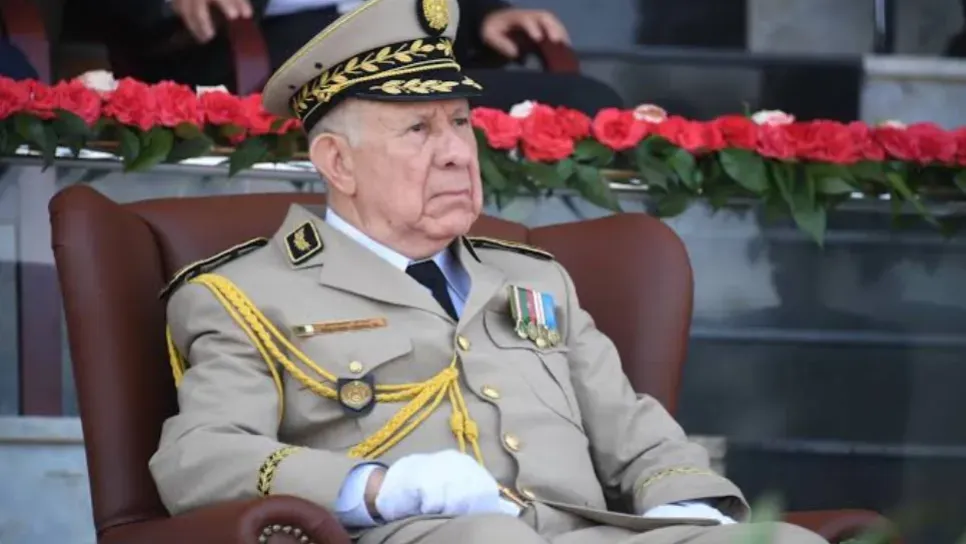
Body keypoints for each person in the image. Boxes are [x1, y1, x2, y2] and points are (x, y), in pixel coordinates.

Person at [149, 0, 827, 542]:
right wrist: (379, 487)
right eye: (418, 130)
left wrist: (692, 507)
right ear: (337, 162)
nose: (455, 152)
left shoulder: (536, 281)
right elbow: (201, 457)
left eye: (459, 122)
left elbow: (638, 435)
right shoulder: (244, 294)